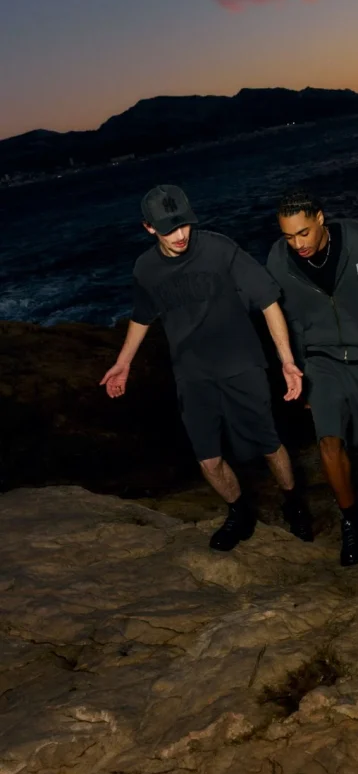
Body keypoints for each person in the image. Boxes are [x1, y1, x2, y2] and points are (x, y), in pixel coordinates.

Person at [100, 184, 313, 551]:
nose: (181, 235)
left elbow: (268, 301)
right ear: (148, 228)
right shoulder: (145, 269)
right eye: (169, 229)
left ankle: (293, 502)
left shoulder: (219, 249)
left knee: (268, 443)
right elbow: (142, 315)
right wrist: (123, 364)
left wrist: (288, 362)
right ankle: (239, 512)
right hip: (191, 374)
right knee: (208, 458)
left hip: (240, 364)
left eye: (185, 225)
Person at [267, 188, 358, 567]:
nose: (297, 244)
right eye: (288, 236)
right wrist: (299, 372)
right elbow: (290, 321)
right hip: (322, 361)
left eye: (303, 233)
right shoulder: (279, 260)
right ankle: (353, 526)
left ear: (320, 219)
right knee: (328, 442)